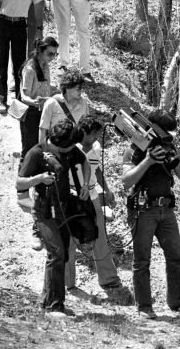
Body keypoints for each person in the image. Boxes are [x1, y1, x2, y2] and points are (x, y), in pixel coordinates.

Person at [120, 109, 180, 319]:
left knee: (175, 257)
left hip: (166, 210)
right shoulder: (136, 149)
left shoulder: (168, 146)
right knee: (142, 260)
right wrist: (148, 161)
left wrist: (173, 158)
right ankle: (144, 306)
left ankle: (177, 300)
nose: (169, 136)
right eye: (166, 131)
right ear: (152, 127)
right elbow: (126, 181)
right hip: (143, 210)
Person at [16, 120, 90, 315]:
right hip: (44, 210)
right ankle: (54, 306)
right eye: (71, 146)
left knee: (62, 254)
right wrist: (39, 179)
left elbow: (84, 161)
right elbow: (19, 182)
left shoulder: (71, 149)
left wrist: (85, 185)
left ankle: (47, 300)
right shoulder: (36, 153)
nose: (74, 148)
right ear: (61, 144)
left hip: (64, 209)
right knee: (56, 253)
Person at [65, 115, 129, 298]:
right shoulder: (71, 148)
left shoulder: (95, 149)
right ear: (83, 132)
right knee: (70, 240)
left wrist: (107, 190)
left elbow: (97, 169)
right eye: (93, 134)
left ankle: (108, 279)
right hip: (73, 197)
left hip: (92, 196)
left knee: (100, 236)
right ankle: (68, 282)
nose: (95, 138)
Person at [17, 36, 59, 252]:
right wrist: (36, 102)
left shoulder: (44, 66)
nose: (52, 58)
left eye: (55, 54)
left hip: (42, 111)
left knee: (41, 149)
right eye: (50, 53)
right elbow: (24, 94)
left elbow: (47, 88)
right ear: (41, 51)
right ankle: (22, 185)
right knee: (29, 149)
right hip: (31, 112)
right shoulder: (31, 68)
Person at [38, 67, 89, 144]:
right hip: (55, 148)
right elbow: (43, 129)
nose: (80, 91)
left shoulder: (83, 104)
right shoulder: (52, 103)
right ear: (68, 87)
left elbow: (86, 129)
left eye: (81, 88)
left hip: (74, 148)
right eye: (78, 88)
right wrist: (44, 152)